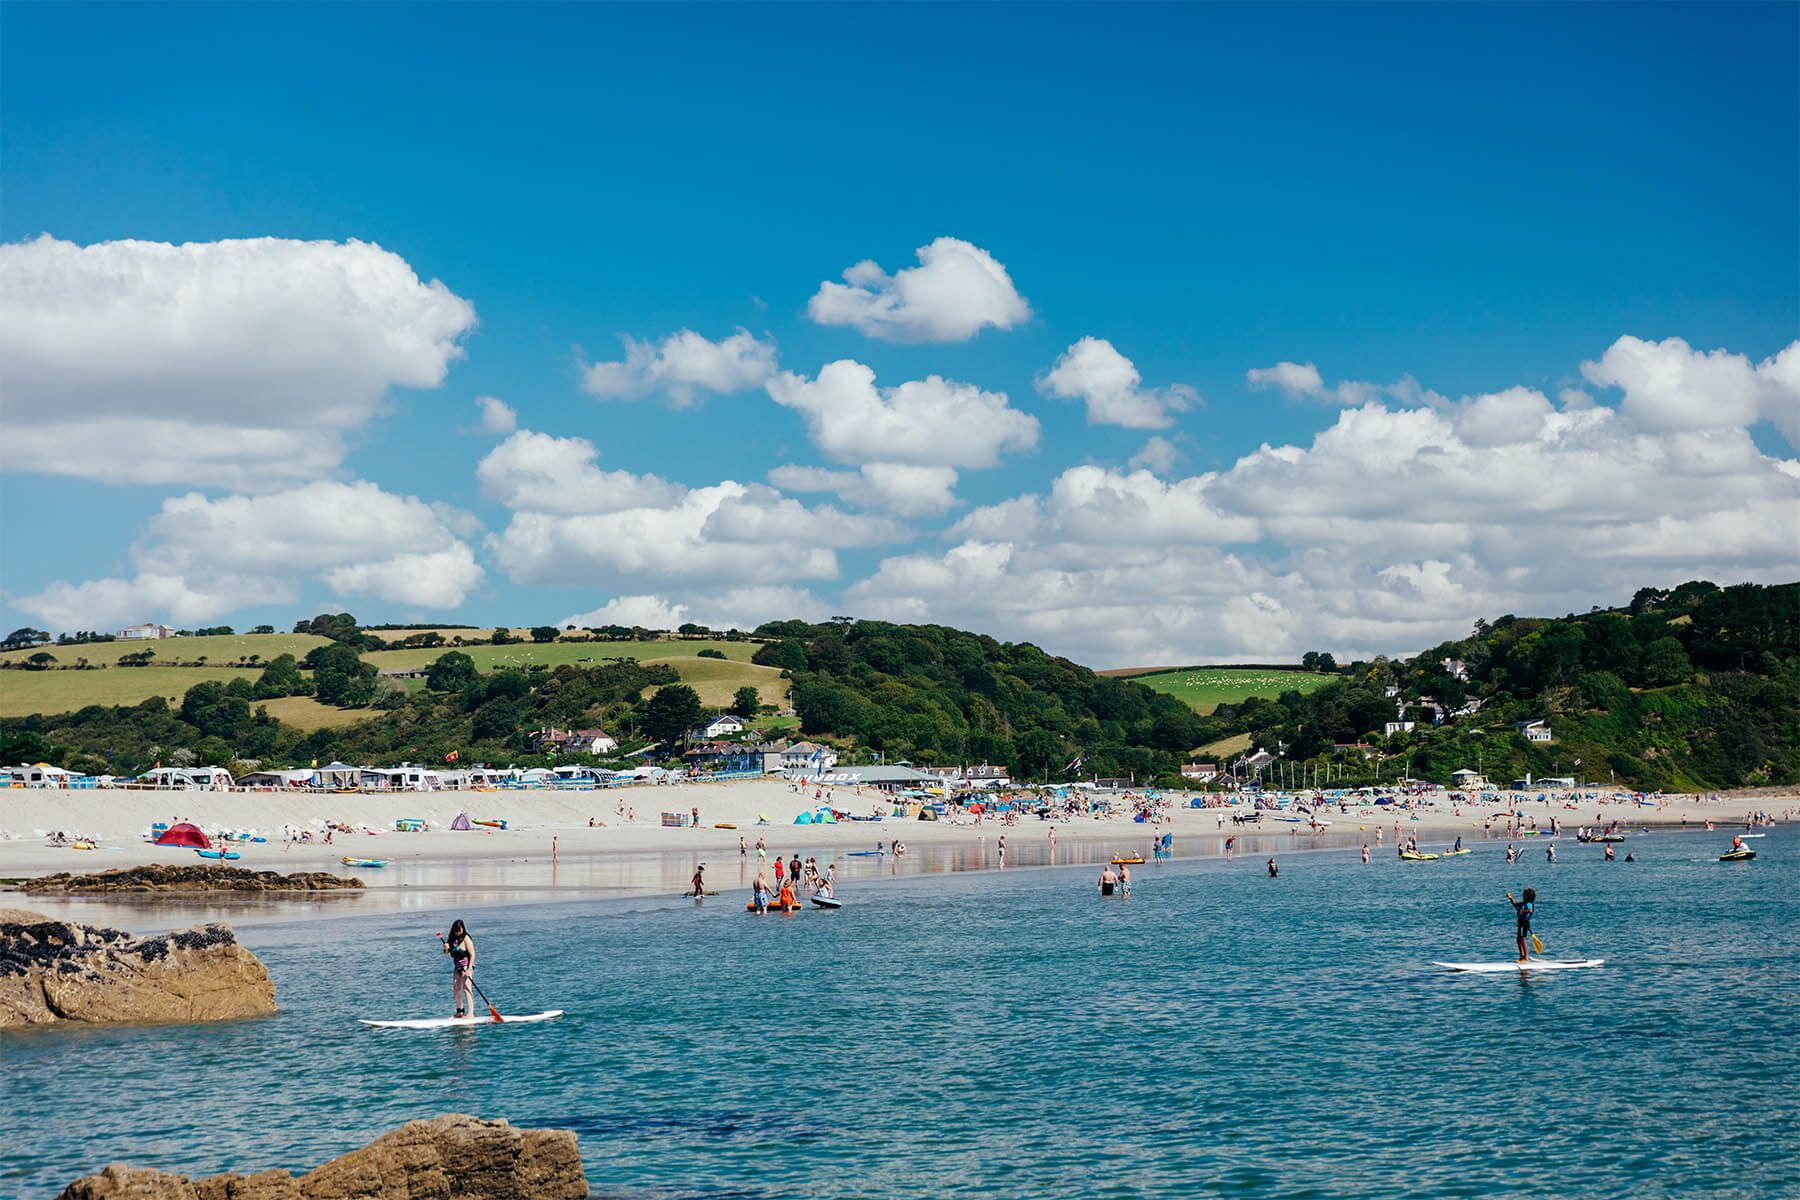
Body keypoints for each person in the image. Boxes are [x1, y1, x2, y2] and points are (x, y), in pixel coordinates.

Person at [438, 920, 475, 1018]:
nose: (458, 932)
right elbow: (446, 952)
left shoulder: (466, 938)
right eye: (456, 930)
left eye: (459, 930)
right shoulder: (452, 939)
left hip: (466, 967)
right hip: (457, 967)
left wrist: (469, 969)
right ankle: (460, 1011)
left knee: (467, 988)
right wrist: (445, 948)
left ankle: (470, 1013)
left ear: (463, 929)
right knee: (456, 989)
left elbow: (472, 954)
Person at [1507, 888, 1536, 963]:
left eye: (1524, 895)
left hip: (1525, 922)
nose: (1523, 896)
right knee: (1518, 940)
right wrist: (1511, 898)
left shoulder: (1529, 904)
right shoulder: (1523, 903)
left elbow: (1530, 910)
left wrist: (1522, 911)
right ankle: (1521, 956)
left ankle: (1526, 958)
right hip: (1520, 922)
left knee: (1523, 939)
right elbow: (1515, 904)